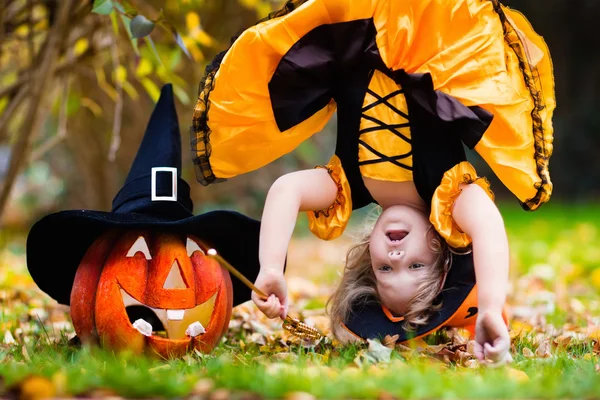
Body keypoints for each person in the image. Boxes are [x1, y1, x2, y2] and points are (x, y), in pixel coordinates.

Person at [190, 0, 555, 366]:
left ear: (369, 259)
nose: (397, 257)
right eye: (415, 267)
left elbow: (286, 190)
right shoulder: (449, 192)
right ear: (441, 257)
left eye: (385, 269)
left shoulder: (348, 186)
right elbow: (489, 225)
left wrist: (269, 268)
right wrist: (490, 307)